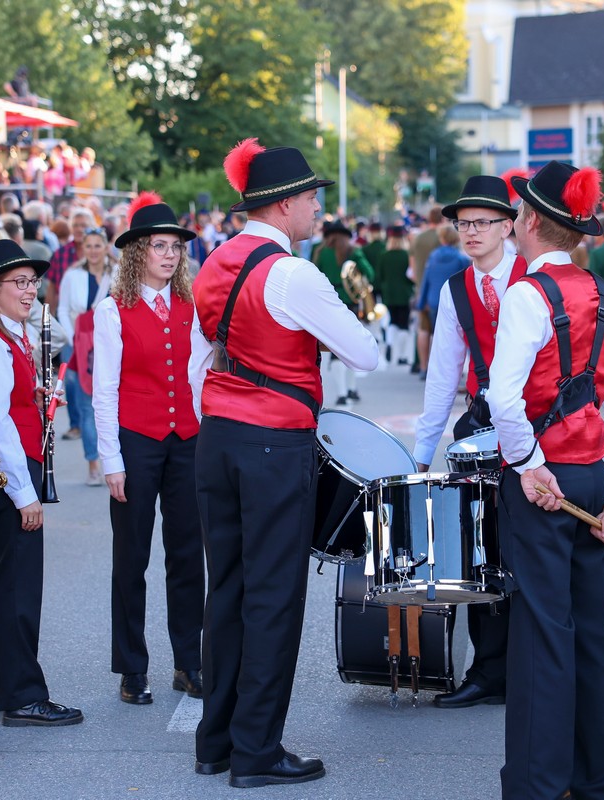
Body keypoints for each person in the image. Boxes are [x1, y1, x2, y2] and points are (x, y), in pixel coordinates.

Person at [192, 139, 379, 788]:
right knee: (273, 598)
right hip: (273, 443)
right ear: (282, 206)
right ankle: (257, 752)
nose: (317, 207)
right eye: (310, 198)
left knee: (230, 591)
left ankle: (216, 741)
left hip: (217, 438)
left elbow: (202, 362)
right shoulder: (294, 273)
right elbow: (365, 355)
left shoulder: (214, 261)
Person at [489, 161, 604, 799]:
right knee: (590, 632)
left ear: (527, 222)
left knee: (541, 636)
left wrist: (527, 466)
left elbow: (503, 399)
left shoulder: (527, 295)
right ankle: (597, 779)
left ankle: (539, 785)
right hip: (588, 479)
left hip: (543, 483)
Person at [0, 238, 84, 728]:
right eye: (19, 283)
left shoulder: (10, 337)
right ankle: (23, 696)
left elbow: (7, 407)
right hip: (11, 473)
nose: (30, 290)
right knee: (17, 585)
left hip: (13, 469)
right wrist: (25, 493)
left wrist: (36, 395)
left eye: (33, 281)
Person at [412, 175, 526, 710]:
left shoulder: (535, 276)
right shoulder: (455, 288)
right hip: (480, 429)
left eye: (483, 222)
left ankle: (535, 669)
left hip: (539, 429)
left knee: (531, 553)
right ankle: (489, 671)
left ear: (509, 226)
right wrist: (418, 455)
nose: (472, 232)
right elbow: (441, 377)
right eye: (464, 223)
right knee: (480, 554)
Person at [90, 193, 207, 706]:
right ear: (137, 252)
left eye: (175, 247)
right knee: (130, 558)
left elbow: (202, 376)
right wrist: (111, 459)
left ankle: (189, 661)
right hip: (137, 443)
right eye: (158, 246)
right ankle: (132, 668)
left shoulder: (193, 305)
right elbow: (105, 391)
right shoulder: (112, 310)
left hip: (188, 442)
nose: (169, 255)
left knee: (187, 557)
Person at [57, 225, 113, 485]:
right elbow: (63, 308)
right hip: (80, 342)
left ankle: (115, 459)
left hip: (111, 342)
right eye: (88, 246)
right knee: (85, 403)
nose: (92, 251)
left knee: (113, 400)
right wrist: (72, 338)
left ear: (105, 247)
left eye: (97, 245)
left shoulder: (119, 272)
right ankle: (93, 461)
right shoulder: (73, 275)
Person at [313, 220, 375, 404]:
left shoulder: (320, 251)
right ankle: (351, 389)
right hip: (350, 303)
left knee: (334, 349)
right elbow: (369, 274)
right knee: (350, 346)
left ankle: (341, 393)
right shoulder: (353, 251)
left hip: (327, 304)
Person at [415, 225, 472, 379]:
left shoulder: (433, 257)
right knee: (458, 337)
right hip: (456, 302)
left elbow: (427, 279)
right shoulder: (462, 259)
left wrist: (421, 303)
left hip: (434, 301)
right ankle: (455, 371)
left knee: (437, 335)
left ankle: (433, 369)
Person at [411, 207, 445, 375]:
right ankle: (437, 368)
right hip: (440, 289)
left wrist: (418, 284)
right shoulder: (443, 237)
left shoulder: (418, 238)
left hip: (421, 288)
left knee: (423, 329)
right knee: (442, 332)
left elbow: (411, 265)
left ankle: (423, 367)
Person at [375, 225, 414, 365]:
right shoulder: (406, 255)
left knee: (392, 321)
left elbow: (379, 276)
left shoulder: (384, 255)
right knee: (404, 324)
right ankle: (402, 356)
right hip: (404, 293)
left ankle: (390, 343)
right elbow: (411, 276)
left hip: (388, 293)